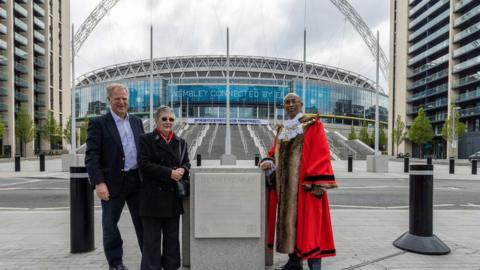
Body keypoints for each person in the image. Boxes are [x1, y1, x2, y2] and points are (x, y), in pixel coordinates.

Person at [260, 93, 337, 270]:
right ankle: (294, 261)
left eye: (294, 101)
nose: (290, 104)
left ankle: (314, 263)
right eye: (287, 102)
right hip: (286, 188)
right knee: (290, 223)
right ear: (284, 106)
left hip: (306, 186)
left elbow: (321, 151)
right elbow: (274, 151)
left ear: (301, 104)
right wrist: (269, 160)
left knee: (310, 226)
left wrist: (317, 182)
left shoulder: (312, 124)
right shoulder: (283, 129)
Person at [85, 83, 144, 270]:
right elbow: (92, 155)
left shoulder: (136, 122)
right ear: (109, 100)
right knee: (110, 224)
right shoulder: (99, 123)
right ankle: (116, 262)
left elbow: (143, 152)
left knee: (144, 222)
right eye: (117, 98)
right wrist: (99, 182)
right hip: (112, 183)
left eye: (124, 99)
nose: (121, 102)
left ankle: (149, 259)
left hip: (137, 180)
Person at [138, 106, 190, 270]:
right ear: (156, 120)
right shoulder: (145, 139)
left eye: (171, 119)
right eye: (164, 119)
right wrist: (169, 173)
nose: (168, 122)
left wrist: (184, 169)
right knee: (151, 241)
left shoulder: (181, 142)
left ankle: (171, 267)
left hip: (172, 199)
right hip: (152, 199)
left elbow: (187, 162)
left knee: (172, 240)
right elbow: (143, 164)